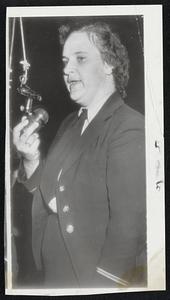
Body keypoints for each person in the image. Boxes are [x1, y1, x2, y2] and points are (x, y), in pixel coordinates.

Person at [13, 21, 146, 288]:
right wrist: (31, 159)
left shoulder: (128, 126)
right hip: (53, 275)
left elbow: (128, 228)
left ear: (109, 64)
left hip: (89, 279)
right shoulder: (70, 123)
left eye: (80, 59)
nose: (67, 70)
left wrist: (102, 287)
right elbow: (50, 192)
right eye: (65, 61)